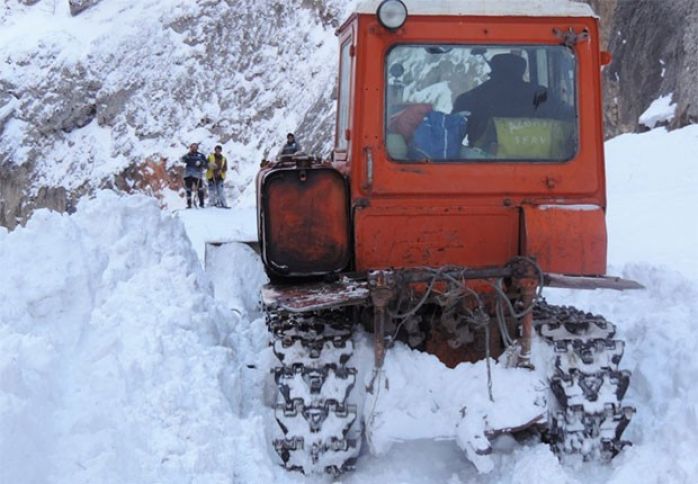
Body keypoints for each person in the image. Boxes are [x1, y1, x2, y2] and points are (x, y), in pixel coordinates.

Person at [452, 53, 568, 151]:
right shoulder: (542, 95)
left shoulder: (471, 98)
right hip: (546, 164)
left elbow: (451, 135)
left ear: (493, 69)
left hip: (484, 166)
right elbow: (569, 119)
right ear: (522, 70)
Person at [180, 143, 207, 208]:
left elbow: (206, 164)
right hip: (188, 174)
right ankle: (189, 204)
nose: (194, 148)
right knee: (188, 189)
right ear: (190, 148)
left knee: (200, 189)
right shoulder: (188, 155)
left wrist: (201, 163)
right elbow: (182, 160)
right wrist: (187, 155)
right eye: (192, 147)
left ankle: (201, 203)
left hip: (197, 175)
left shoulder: (201, 155)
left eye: (195, 147)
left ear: (197, 148)